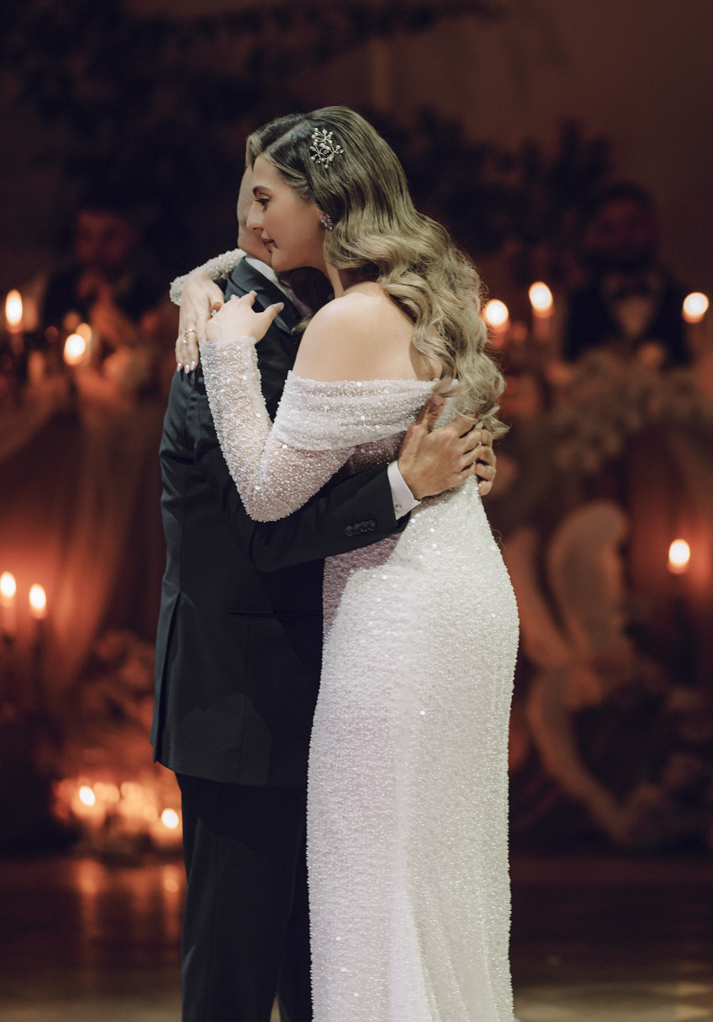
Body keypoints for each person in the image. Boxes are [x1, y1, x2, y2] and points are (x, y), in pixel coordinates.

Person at [155, 115, 496, 1022]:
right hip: (248, 699)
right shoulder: (222, 337)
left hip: (363, 668)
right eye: (244, 198)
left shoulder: (331, 316)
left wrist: (423, 470)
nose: (247, 221)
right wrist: (407, 483)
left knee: (349, 955)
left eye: (264, 199)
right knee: (244, 973)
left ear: (326, 205)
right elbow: (258, 530)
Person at [562, 184, 693, 365]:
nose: (623, 237)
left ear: (653, 227)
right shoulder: (573, 307)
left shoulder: (690, 305)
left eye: (632, 224)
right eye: (609, 228)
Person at [41, 198, 172, 347]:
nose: (96, 249)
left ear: (132, 235)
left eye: (109, 236)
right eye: (86, 236)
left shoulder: (155, 299)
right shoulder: (59, 288)